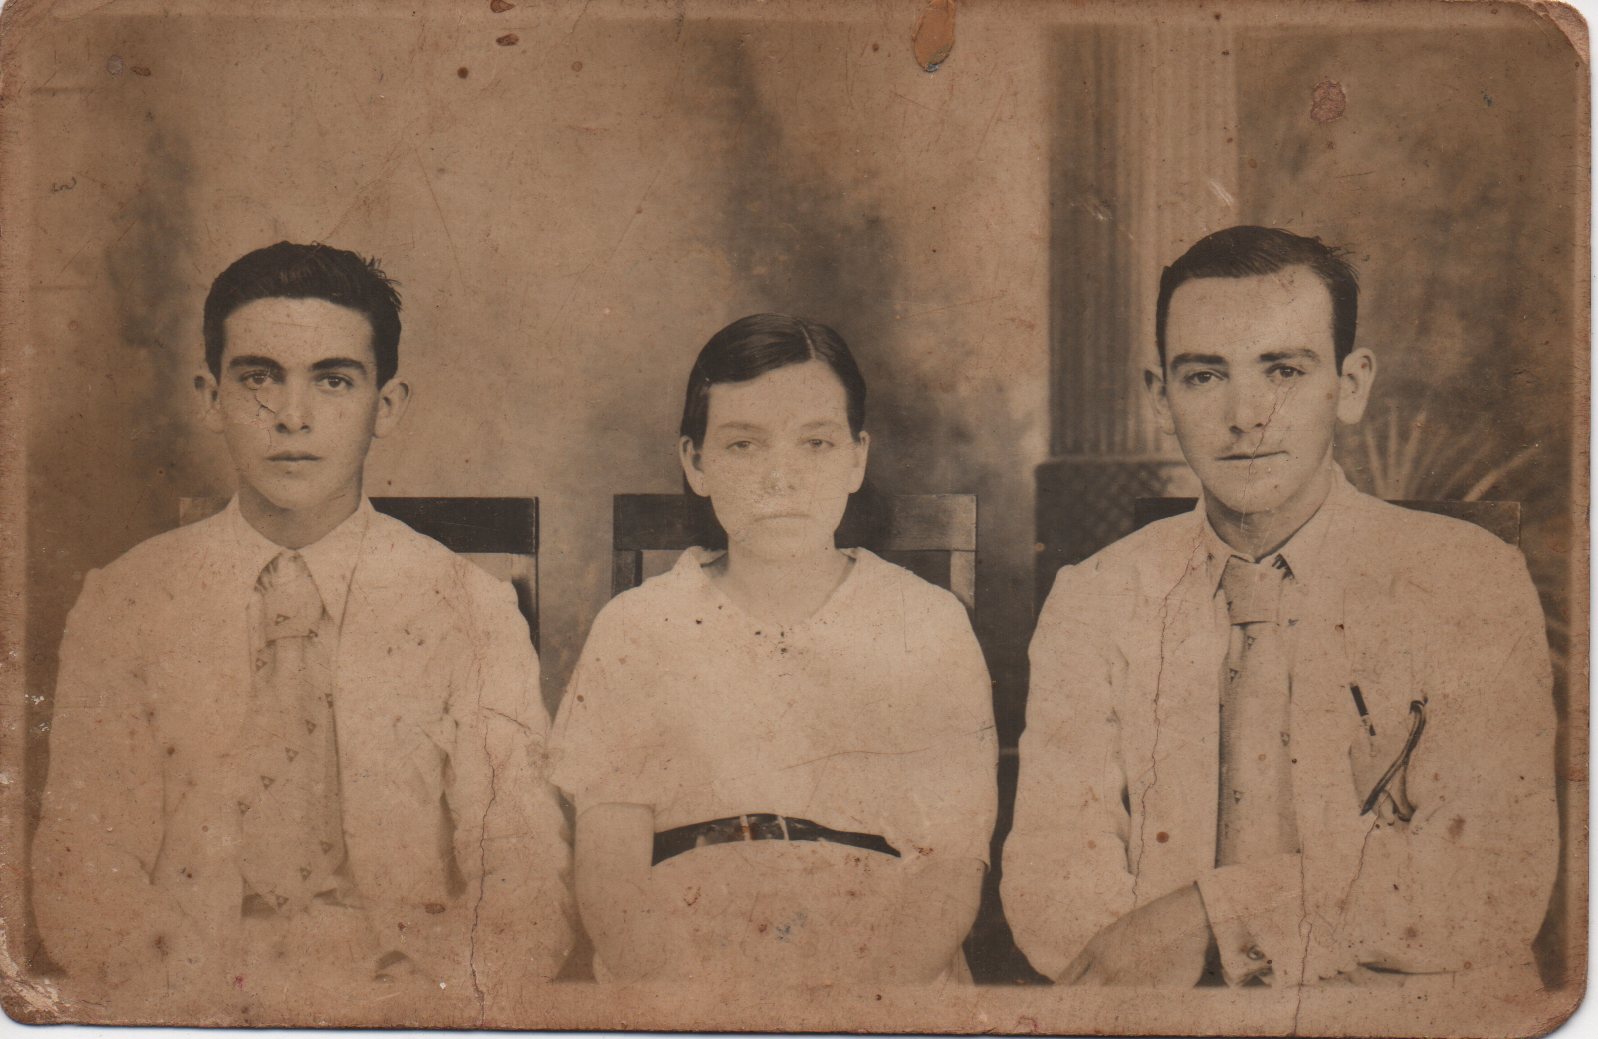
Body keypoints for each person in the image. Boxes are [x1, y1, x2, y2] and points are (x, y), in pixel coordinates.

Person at [1003, 226, 1557, 988]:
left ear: (1351, 385)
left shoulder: (1468, 582)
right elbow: (1050, 888)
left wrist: (1214, 916)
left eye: (1284, 371)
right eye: (1205, 375)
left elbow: (1491, 882)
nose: (1247, 414)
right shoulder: (1093, 598)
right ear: (1160, 397)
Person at [33, 242, 573, 1022]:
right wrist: (190, 998)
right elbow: (82, 870)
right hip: (188, 999)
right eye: (259, 377)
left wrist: (434, 997)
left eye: (333, 379)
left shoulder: (470, 606)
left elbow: (523, 871)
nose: (293, 416)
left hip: (404, 1001)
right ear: (210, 396)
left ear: (387, 405)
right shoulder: (125, 601)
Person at [550, 313, 997, 985]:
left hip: (881, 983)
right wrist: (691, 1011)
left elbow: (950, 870)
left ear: (856, 458)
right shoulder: (637, 628)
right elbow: (611, 880)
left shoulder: (927, 623)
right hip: (681, 979)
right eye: (743, 445)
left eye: (816, 443)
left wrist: (858, 1011)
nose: (780, 477)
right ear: (696, 463)